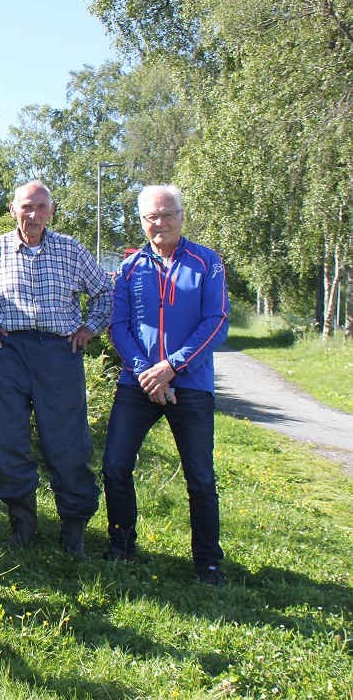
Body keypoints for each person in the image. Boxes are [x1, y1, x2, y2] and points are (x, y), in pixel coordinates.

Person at [0, 181, 111, 557]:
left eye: (41, 207)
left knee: (67, 441)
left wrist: (90, 328)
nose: (33, 215)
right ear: (13, 210)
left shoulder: (71, 250)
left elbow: (105, 291)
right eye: (26, 207)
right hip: (7, 352)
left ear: (51, 211)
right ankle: (22, 522)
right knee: (7, 438)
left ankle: (74, 528)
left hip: (59, 353)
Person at [102, 184, 229, 585]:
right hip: (137, 383)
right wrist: (148, 372)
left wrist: (171, 367)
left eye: (167, 214)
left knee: (200, 477)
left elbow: (216, 322)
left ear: (181, 216)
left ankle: (208, 563)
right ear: (142, 221)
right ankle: (121, 548)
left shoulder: (207, 262)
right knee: (114, 465)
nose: (160, 223)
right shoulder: (129, 268)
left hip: (191, 384)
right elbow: (118, 326)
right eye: (151, 217)